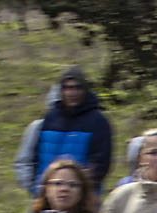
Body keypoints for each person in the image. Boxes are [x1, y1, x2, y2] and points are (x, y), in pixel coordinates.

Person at [27, 67, 113, 195]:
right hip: (47, 194)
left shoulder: (98, 121)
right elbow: (36, 156)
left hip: (82, 198)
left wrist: (81, 190)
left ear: (85, 90)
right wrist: (37, 185)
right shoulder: (50, 118)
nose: (72, 93)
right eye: (67, 88)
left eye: (77, 88)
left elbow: (101, 164)